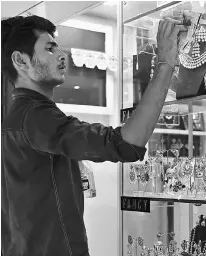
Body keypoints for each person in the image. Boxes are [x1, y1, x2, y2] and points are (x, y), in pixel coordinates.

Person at [1, 14, 186, 256]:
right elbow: (126, 143)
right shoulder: (35, 117)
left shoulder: (19, 116)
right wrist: (165, 64)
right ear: (20, 60)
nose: (61, 54)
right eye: (49, 48)